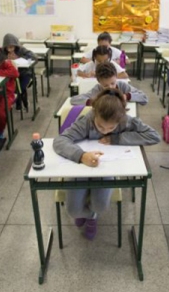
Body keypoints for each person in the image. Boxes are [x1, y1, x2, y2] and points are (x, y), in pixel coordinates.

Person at [53, 88, 160, 239]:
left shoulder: (125, 120)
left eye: (111, 128)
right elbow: (60, 140)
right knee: (73, 210)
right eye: (100, 126)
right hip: (82, 167)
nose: (105, 131)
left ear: (120, 120)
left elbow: (154, 136)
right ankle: (89, 215)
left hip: (107, 167)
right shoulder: (87, 120)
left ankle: (92, 217)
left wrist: (116, 139)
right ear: (95, 114)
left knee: (101, 206)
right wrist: (82, 155)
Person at [70, 62, 147, 105]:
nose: (110, 87)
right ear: (99, 82)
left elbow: (144, 98)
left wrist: (127, 96)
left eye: (113, 83)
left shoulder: (122, 86)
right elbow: (73, 100)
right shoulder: (97, 89)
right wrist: (91, 101)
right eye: (105, 85)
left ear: (116, 76)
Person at [2, 33, 37, 110]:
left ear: (15, 45)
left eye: (11, 47)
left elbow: (34, 57)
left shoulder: (21, 49)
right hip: (12, 75)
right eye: (8, 48)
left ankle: (19, 101)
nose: (10, 49)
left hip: (25, 73)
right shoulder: (3, 52)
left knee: (21, 87)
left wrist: (18, 57)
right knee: (13, 88)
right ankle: (22, 101)